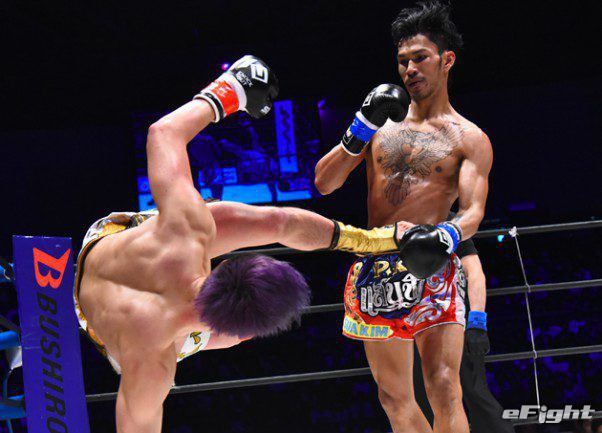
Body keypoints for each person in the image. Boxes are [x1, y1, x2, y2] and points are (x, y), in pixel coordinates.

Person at [76, 55, 412, 433]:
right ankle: (374, 241)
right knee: (266, 224)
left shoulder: (187, 230)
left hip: (115, 256)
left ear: (227, 264)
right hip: (120, 321)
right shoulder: (153, 363)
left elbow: (163, 134)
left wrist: (228, 92)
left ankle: (374, 241)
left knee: (250, 220)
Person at [314, 2, 493, 432]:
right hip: (377, 266)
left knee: (445, 387)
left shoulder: (469, 137)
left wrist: (446, 234)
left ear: (447, 60)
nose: (409, 69)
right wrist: (360, 125)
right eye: (402, 61)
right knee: (394, 398)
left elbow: (473, 211)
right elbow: (324, 183)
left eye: (420, 58)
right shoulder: (379, 125)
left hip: (434, 260)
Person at [412, 219, 515, 433]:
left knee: (475, 392)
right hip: (411, 326)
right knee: (421, 399)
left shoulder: (448, 220)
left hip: (453, 321)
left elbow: (474, 271)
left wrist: (477, 323)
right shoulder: (390, 221)